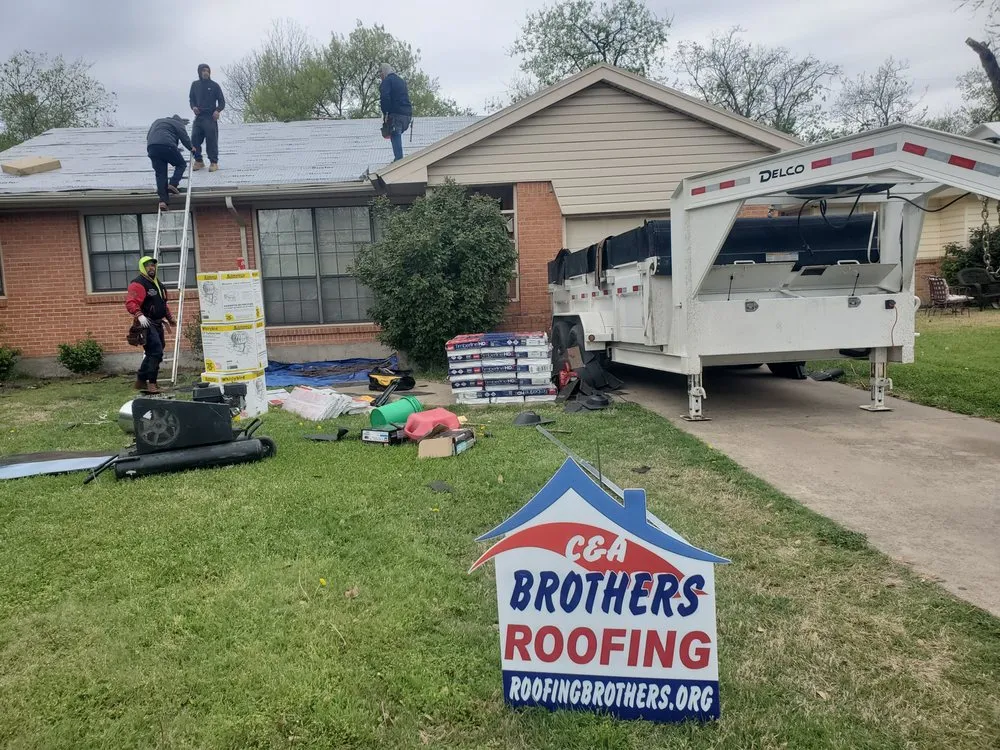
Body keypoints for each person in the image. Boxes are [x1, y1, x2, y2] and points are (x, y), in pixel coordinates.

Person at [125, 256, 175, 393]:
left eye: (153, 265)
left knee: (153, 352)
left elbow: (162, 303)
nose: (151, 268)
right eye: (147, 265)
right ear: (142, 267)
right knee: (156, 352)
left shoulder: (157, 283)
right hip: (146, 323)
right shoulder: (138, 283)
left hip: (158, 323)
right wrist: (139, 315)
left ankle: (141, 380)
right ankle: (151, 384)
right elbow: (131, 302)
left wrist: (170, 318)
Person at [147, 114, 194, 211]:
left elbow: (148, 136)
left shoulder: (157, 121)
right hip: (167, 145)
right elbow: (184, 137)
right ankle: (173, 184)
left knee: (160, 174)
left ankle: (163, 201)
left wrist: (174, 148)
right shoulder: (178, 124)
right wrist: (191, 147)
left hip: (152, 147)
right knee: (181, 164)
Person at [189, 63, 226, 172]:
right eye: (203, 71)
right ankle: (199, 161)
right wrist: (193, 107)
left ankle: (213, 162)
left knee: (211, 140)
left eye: (207, 71)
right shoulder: (195, 85)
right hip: (199, 116)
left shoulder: (214, 85)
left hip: (210, 117)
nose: (205, 72)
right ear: (200, 72)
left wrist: (217, 110)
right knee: (194, 138)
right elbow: (191, 99)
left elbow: (222, 101)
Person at [379, 63, 412, 161]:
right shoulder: (401, 81)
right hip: (407, 115)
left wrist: (386, 113)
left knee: (394, 133)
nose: (380, 77)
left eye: (380, 74)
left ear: (383, 72)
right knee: (395, 132)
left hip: (396, 114)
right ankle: (398, 158)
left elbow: (385, 97)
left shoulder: (387, 81)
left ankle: (399, 160)